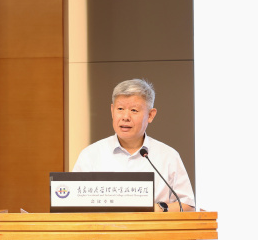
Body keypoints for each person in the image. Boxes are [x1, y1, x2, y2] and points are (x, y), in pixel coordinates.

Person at [72, 79, 195, 212]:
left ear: (150, 115)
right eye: (120, 109)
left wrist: (155, 210)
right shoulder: (90, 155)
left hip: (152, 226)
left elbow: (187, 206)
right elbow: (72, 204)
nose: (125, 117)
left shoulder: (168, 156)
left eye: (134, 110)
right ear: (112, 111)